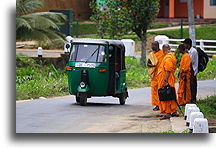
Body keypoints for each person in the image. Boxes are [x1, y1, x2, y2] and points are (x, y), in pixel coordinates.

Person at [157, 44, 178, 120]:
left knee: (166, 94)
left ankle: (168, 112)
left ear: (163, 50)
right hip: (168, 78)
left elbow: (168, 70)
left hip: (167, 79)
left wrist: (165, 80)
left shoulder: (168, 57)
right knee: (171, 94)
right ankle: (174, 111)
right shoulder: (171, 56)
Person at [147, 41, 164, 111]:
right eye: (151, 45)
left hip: (161, 75)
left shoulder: (162, 53)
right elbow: (148, 64)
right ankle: (157, 105)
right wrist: (153, 65)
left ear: (157, 46)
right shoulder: (151, 54)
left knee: (161, 90)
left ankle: (162, 105)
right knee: (154, 91)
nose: (152, 47)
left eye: (153, 45)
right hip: (154, 75)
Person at [182, 38, 198, 103]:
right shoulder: (188, 51)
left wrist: (186, 54)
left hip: (193, 70)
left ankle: (193, 99)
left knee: (192, 85)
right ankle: (189, 98)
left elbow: (189, 61)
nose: (184, 45)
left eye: (185, 44)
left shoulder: (193, 51)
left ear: (188, 44)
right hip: (189, 71)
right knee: (189, 86)